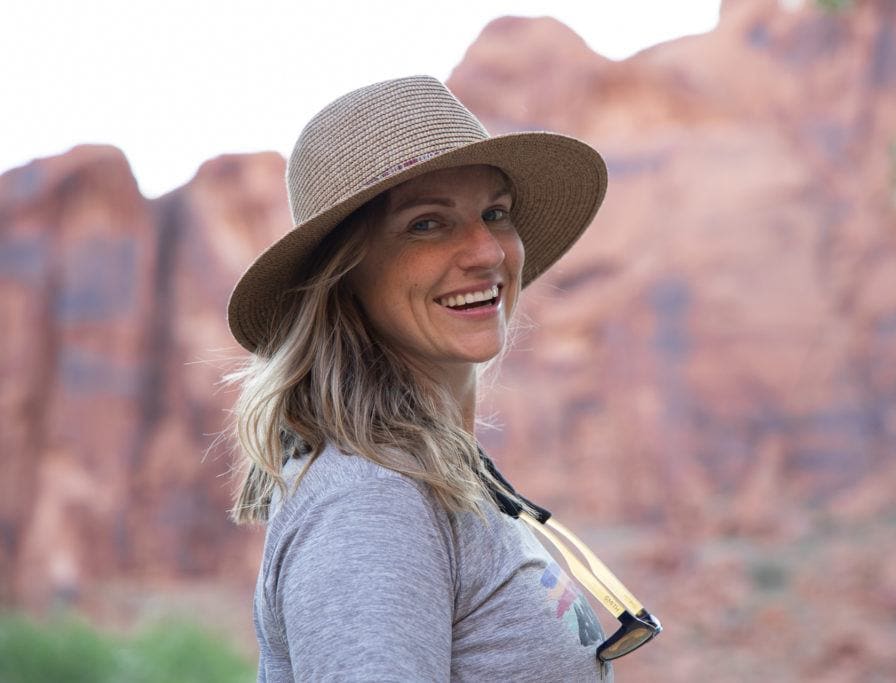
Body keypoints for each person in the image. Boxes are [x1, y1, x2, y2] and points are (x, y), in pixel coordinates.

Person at [226, 75, 660, 682]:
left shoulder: (434, 477)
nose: (487, 251)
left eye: (495, 213)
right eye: (427, 224)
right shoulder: (369, 500)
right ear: (344, 275)